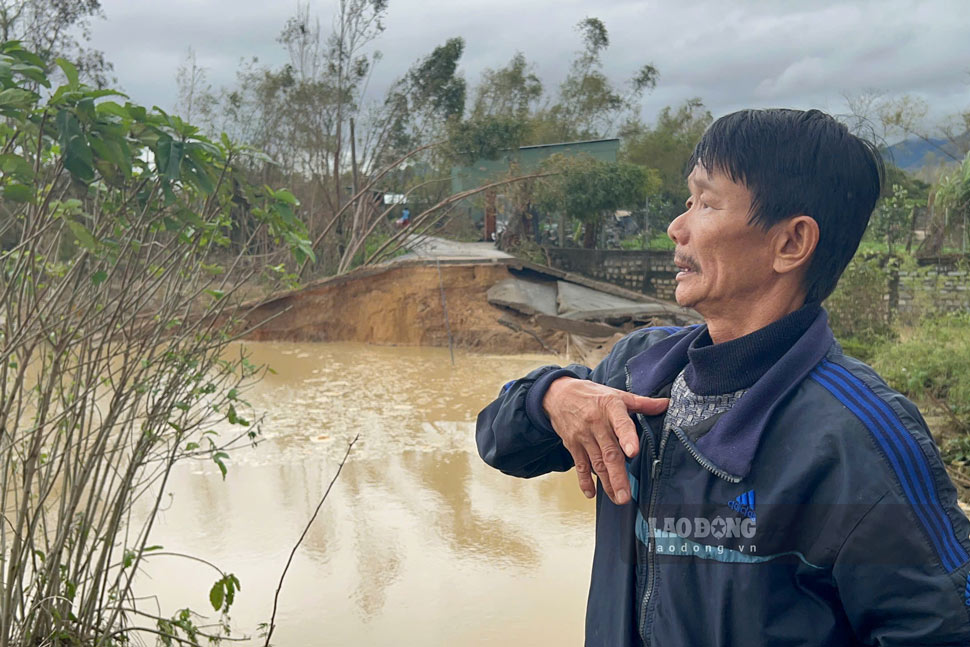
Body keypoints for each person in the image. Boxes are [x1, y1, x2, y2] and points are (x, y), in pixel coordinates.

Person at [476, 109, 970, 646]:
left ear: (790, 243)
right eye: (688, 201)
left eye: (707, 203)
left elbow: (941, 628)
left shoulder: (861, 439)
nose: (677, 226)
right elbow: (499, 445)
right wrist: (554, 396)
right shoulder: (638, 371)